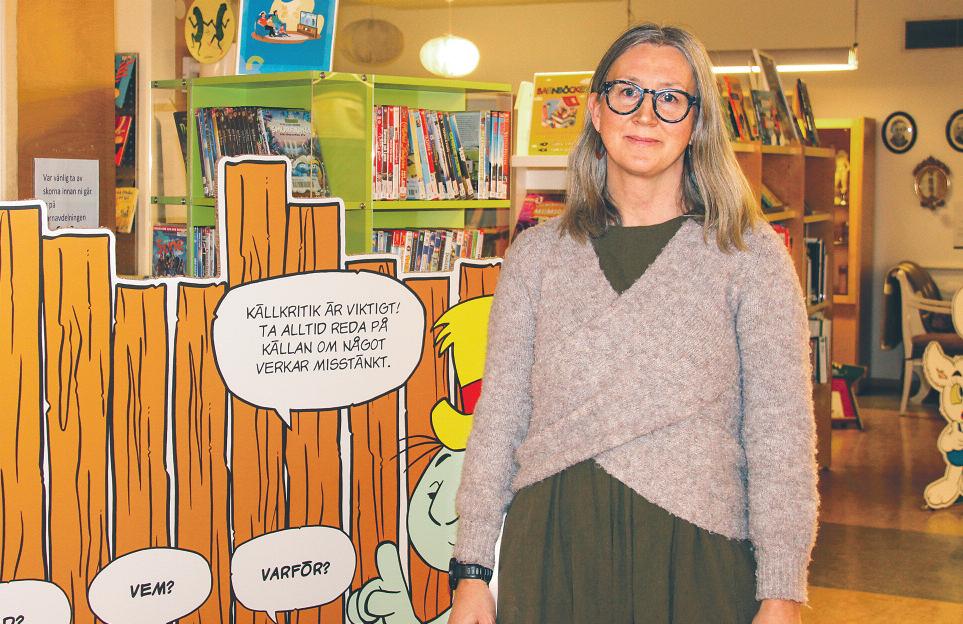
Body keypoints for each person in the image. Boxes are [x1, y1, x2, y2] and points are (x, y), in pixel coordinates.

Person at [448, 23, 818, 624]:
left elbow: (781, 436)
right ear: (596, 110)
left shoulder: (747, 255)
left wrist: (782, 589)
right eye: (627, 92)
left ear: (697, 122)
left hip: (694, 561)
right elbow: (500, 421)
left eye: (670, 98)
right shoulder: (537, 257)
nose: (646, 114)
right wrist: (472, 571)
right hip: (551, 555)